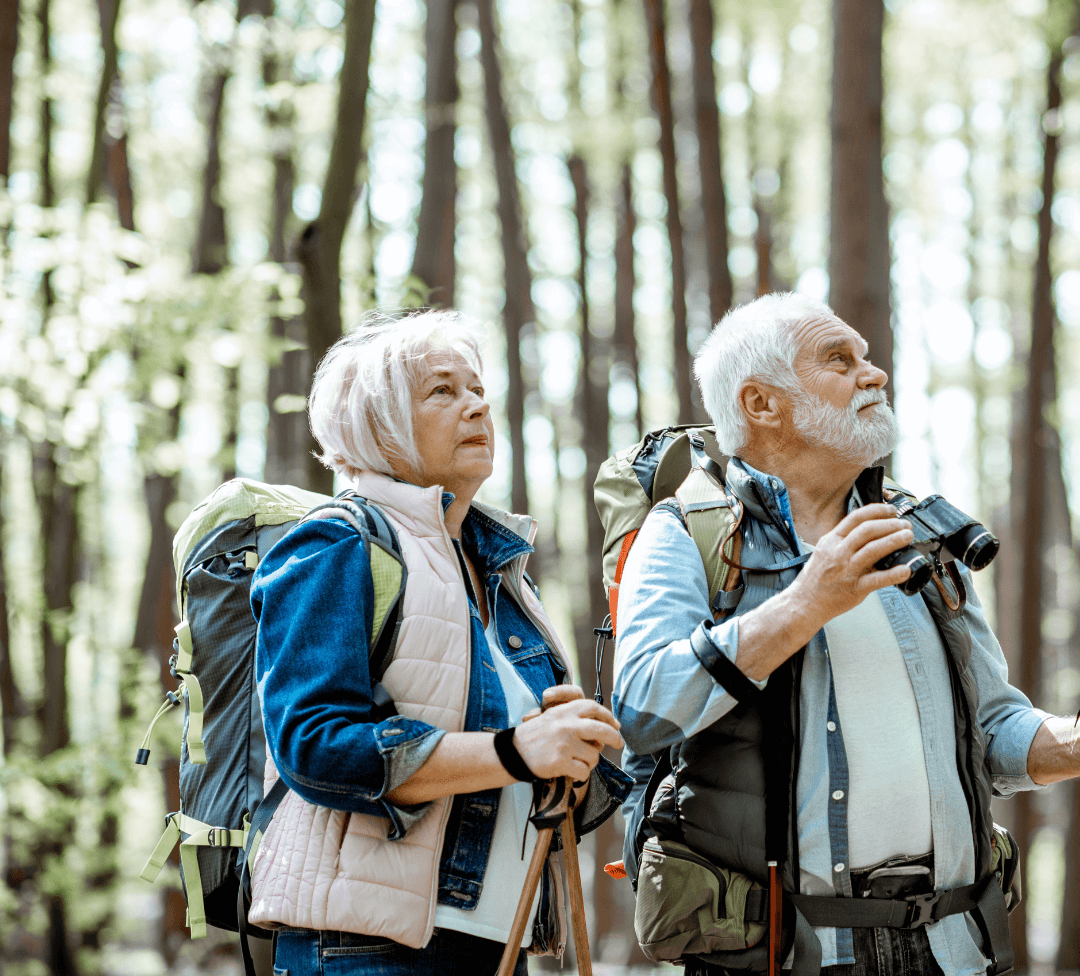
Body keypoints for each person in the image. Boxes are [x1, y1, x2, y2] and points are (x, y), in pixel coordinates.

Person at [612, 292, 1080, 976]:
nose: (875, 374)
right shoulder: (685, 532)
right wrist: (806, 602)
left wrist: (1070, 741)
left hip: (952, 949)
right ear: (761, 403)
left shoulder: (921, 535)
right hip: (792, 954)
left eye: (867, 356)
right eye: (839, 359)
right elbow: (644, 709)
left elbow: (993, 729)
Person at [247, 310, 631, 976]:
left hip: (487, 944)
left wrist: (570, 749)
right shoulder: (339, 542)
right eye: (443, 391)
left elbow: (510, 775)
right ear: (379, 423)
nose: (477, 405)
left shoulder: (498, 571)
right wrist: (515, 749)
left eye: (478, 389)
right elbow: (313, 747)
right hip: (364, 950)